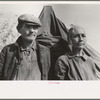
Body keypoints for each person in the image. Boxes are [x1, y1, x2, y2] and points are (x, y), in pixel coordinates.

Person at [0, 14, 51, 80]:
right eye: (28, 27)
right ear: (19, 29)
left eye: (35, 28)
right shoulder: (8, 51)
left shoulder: (45, 51)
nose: (32, 31)